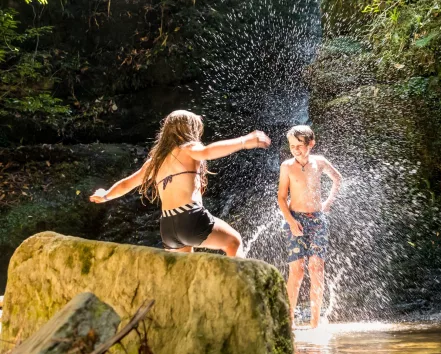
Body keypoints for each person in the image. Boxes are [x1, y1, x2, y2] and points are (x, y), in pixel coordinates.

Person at [90, 110, 271, 257]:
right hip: (189, 218)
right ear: (189, 130)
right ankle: (239, 292)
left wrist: (106, 195)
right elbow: (207, 151)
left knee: (184, 269)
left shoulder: (155, 161)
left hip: (168, 226)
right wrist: (244, 141)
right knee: (234, 241)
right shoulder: (187, 148)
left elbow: (128, 183)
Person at [278, 125, 342, 329]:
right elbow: (281, 198)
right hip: (295, 220)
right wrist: (290, 221)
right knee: (296, 271)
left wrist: (328, 204)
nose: (295, 150)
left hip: (318, 220)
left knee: (317, 267)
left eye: (299, 145)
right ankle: (289, 321)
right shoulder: (287, 166)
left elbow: (337, 179)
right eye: (292, 146)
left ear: (311, 144)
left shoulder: (320, 162)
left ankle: (315, 323)